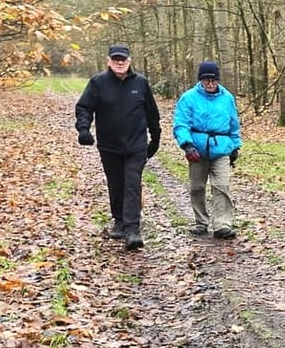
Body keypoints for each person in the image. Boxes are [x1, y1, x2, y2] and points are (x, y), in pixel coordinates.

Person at [75, 44, 161, 251]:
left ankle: (132, 230)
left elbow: (152, 112)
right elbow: (84, 107)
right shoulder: (98, 83)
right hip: (109, 145)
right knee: (116, 183)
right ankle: (119, 221)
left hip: (136, 145)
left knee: (132, 183)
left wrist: (155, 138)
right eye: (115, 59)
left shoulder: (140, 83)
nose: (119, 63)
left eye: (123, 59)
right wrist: (83, 130)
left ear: (129, 61)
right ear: (109, 61)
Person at [173, 60, 243, 239]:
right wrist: (187, 145)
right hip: (197, 148)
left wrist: (235, 146)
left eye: (213, 80)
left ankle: (222, 224)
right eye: (206, 80)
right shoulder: (188, 98)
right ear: (201, 80)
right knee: (197, 187)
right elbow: (181, 124)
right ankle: (201, 221)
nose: (210, 84)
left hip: (221, 148)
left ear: (218, 80)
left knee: (222, 186)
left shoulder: (227, 98)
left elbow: (234, 124)